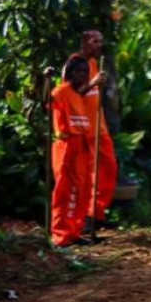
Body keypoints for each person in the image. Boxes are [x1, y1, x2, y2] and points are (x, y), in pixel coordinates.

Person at [50, 54, 93, 247]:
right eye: (78, 71)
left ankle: (74, 231)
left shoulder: (78, 95)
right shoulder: (60, 92)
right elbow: (47, 102)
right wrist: (45, 81)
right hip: (66, 144)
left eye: (85, 72)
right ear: (70, 73)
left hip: (81, 146)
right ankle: (61, 235)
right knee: (64, 190)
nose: (82, 75)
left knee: (81, 189)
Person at [80, 30, 117, 229]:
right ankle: (87, 216)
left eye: (100, 41)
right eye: (94, 41)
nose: (99, 45)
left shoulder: (94, 63)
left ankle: (98, 212)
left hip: (99, 126)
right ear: (84, 43)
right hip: (84, 126)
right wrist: (93, 82)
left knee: (107, 169)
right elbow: (70, 91)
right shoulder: (76, 63)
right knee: (89, 172)